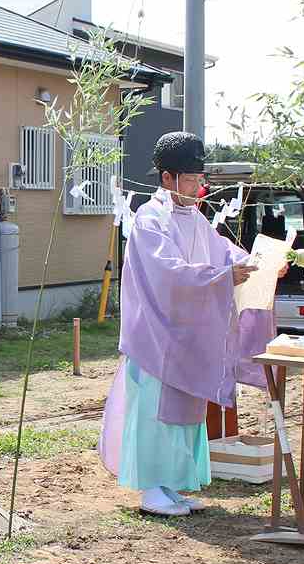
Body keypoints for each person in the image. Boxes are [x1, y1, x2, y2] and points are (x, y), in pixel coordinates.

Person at [98, 132, 273, 517]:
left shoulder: (193, 217)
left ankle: (173, 484)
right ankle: (150, 489)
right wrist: (223, 275)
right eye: (191, 181)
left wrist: (256, 262)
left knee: (185, 413)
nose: (198, 188)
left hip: (186, 333)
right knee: (155, 413)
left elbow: (222, 251)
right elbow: (167, 273)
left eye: (200, 181)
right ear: (167, 178)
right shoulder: (149, 219)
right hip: (156, 335)